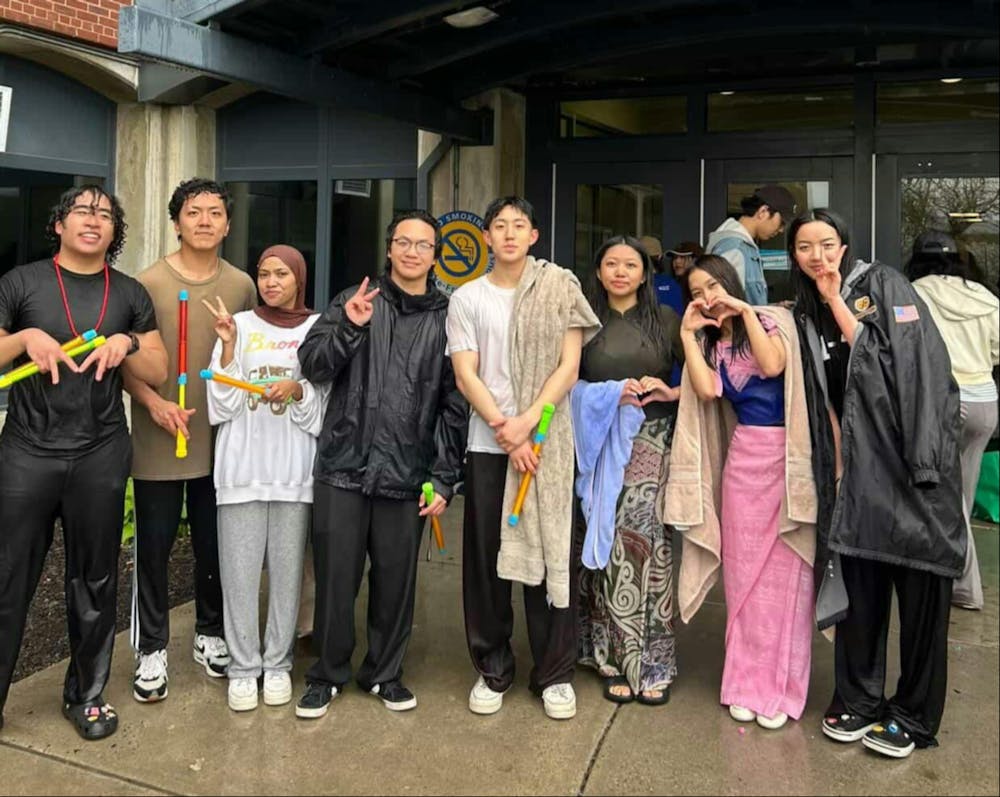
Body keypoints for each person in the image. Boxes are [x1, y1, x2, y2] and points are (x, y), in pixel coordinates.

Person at [789, 209, 965, 759]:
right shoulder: (804, 313)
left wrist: (925, 463)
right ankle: (860, 698)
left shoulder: (883, 283)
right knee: (861, 592)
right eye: (803, 247)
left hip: (912, 469)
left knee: (919, 594)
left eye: (827, 244)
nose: (817, 256)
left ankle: (913, 712)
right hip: (860, 476)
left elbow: (910, 367)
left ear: (845, 246)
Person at [0, 186, 167, 739]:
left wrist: (128, 344)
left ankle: (87, 694)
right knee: (7, 576)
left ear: (115, 231)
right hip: (27, 451)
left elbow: (161, 368)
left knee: (94, 579)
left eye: (105, 214)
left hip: (100, 451)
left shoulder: (130, 293)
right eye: (83, 211)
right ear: (60, 224)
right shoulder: (20, 283)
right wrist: (25, 336)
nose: (94, 221)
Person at [294, 210, 467, 719]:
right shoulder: (357, 298)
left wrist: (443, 477)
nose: (413, 252)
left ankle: (385, 673)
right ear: (389, 248)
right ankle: (327, 673)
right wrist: (349, 325)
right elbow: (313, 365)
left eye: (423, 245)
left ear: (436, 255)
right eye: (403, 242)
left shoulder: (448, 315)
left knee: (396, 582)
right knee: (336, 579)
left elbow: (455, 405)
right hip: (344, 466)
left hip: (407, 472)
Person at [447, 196, 600, 720]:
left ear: (534, 235)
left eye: (520, 225)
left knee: (549, 553)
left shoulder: (561, 288)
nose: (509, 234)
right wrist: (505, 431)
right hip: (490, 446)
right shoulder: (467, 297)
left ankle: (554, 672)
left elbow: (570, 365)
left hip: (546, 442)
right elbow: (466, 373)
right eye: (499, 226)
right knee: (487, 561)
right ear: (486, 237)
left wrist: (530, 421)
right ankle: (493, 668)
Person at [667, 254, 815, 731]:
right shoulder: (711, 344)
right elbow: (708, 392)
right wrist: (689, 334)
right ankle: (745, 683)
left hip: (787, 463)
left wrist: (746, 311)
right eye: (697, 293)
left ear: (730, 284)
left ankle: (779, 689)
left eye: (713, 286)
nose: (708, 298)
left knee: (786, 580)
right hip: (743, 460)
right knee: (744, 580)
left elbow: (772, 367)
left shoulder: (771, 322)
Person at [125, 178, 257, 703]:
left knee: (214, 545)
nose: (205, 221)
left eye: (215, 213)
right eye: (194, 212)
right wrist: (154, 403)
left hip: (222, 442)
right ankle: (152, 648)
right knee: (153, 548)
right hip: (159, 437)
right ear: (176, 220)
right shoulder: (145, 283)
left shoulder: (244, 285)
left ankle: (209, 633)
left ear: (227, 224)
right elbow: (125, 362)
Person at [204, 245, 326, 712]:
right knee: (238, 575)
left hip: (293, 472)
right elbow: (221, 405)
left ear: (299, 278)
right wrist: (230, 347)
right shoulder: (238, 325)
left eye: (281, 274)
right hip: (241, 471)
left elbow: (322, 409)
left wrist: (297, 389)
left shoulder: (318, 329)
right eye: (264, 273)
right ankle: (242, 667)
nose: (272, 281)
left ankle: (277, 664)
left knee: (289, 574)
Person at [573, 235, 683, 706]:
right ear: (598, 272)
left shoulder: (666, 321)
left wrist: (670, 392)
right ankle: (609, 657)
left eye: (630, 264)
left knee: (645, 548)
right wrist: (602, 396)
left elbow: (705, 377)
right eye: (611, 263)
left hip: (651, 444)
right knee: (602, 545)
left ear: (645, 272)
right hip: (596, 446)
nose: (620, 271)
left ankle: (652, 662)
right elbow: (564, 380)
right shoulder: (583, 322)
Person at [907, 231, 999, 611]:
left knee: (945, 499)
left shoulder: (915, 292)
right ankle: (949, 577)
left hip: (945, 401)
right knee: (962, 491)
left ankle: (963, 587)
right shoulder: (985, 295)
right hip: (984, 403)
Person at [705, 185, 797, 306]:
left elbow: (743, 305)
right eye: (782, 223)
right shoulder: (734, 248)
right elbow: (724, 308)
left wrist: (773, 309)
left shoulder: (743, 246)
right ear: (763, 212)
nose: (781, 230)